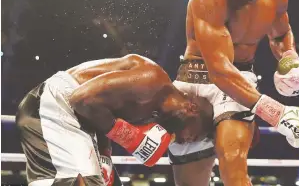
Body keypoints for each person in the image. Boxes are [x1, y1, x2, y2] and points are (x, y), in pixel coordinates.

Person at [168, 0, 299, 186]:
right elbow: (219, 71)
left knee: (234, 163)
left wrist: (290, 60)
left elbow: (281, 34)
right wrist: (277, 114)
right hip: (196, 80)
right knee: (190, 182)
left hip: (239, 79)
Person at [16, 54, 214, 186]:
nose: (187, 140)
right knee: (78, 181)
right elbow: (82, 99)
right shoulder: (151, 81)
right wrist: (127, 135)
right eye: (194, 134)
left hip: (74, 118)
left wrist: (105, 155)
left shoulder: (153, 114)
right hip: (57, 102)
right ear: (192, 108)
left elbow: (97, 113)